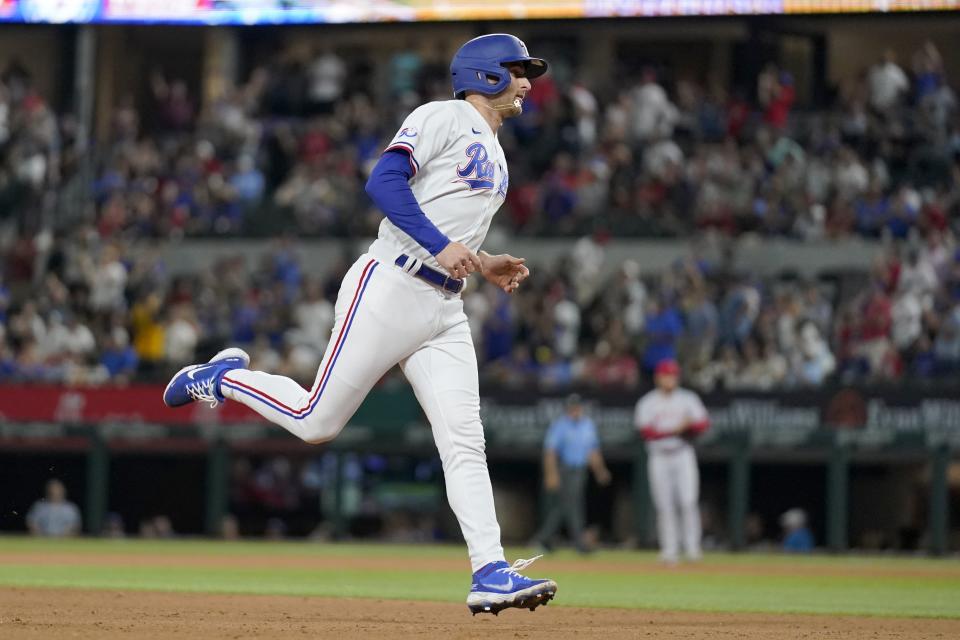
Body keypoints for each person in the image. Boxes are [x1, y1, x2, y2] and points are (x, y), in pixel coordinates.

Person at [162, 34, 555, 616]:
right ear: (486, 74)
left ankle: (490, 570)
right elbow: (384, 183)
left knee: (464, 441)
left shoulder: (496, 150)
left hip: (444, 308)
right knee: (315, 421)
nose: (527, 83)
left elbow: (448, 220)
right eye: (518, 71)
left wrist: (483, 259)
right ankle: (222, 378)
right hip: (390, 285)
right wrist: (440, 244)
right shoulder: (442, 114)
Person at [634, 359, 709, 564]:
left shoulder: (687, 398)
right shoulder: (648, 402)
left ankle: (693, 548)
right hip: (659, 457)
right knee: (663, 504)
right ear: (658, 377)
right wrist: (677, 428)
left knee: (688, 501)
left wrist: (689, 427)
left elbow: (703, 424)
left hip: (683, 453)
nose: (671, 378)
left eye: (673, 375)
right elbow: (646, 432)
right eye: (667, 375)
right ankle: (669, 550)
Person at [532, 394, 611, 553]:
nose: (575, 410)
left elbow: (592, 451)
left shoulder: (587, 425)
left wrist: (600, 470)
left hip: (580, 469)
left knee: (565, 506)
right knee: (573, 506)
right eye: (572, 407)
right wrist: (551, 474)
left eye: (577, 407)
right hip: (564, 469)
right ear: (568, 409)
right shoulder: (560, 425)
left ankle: (544, 539)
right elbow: (550, 452)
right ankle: (579, 543)